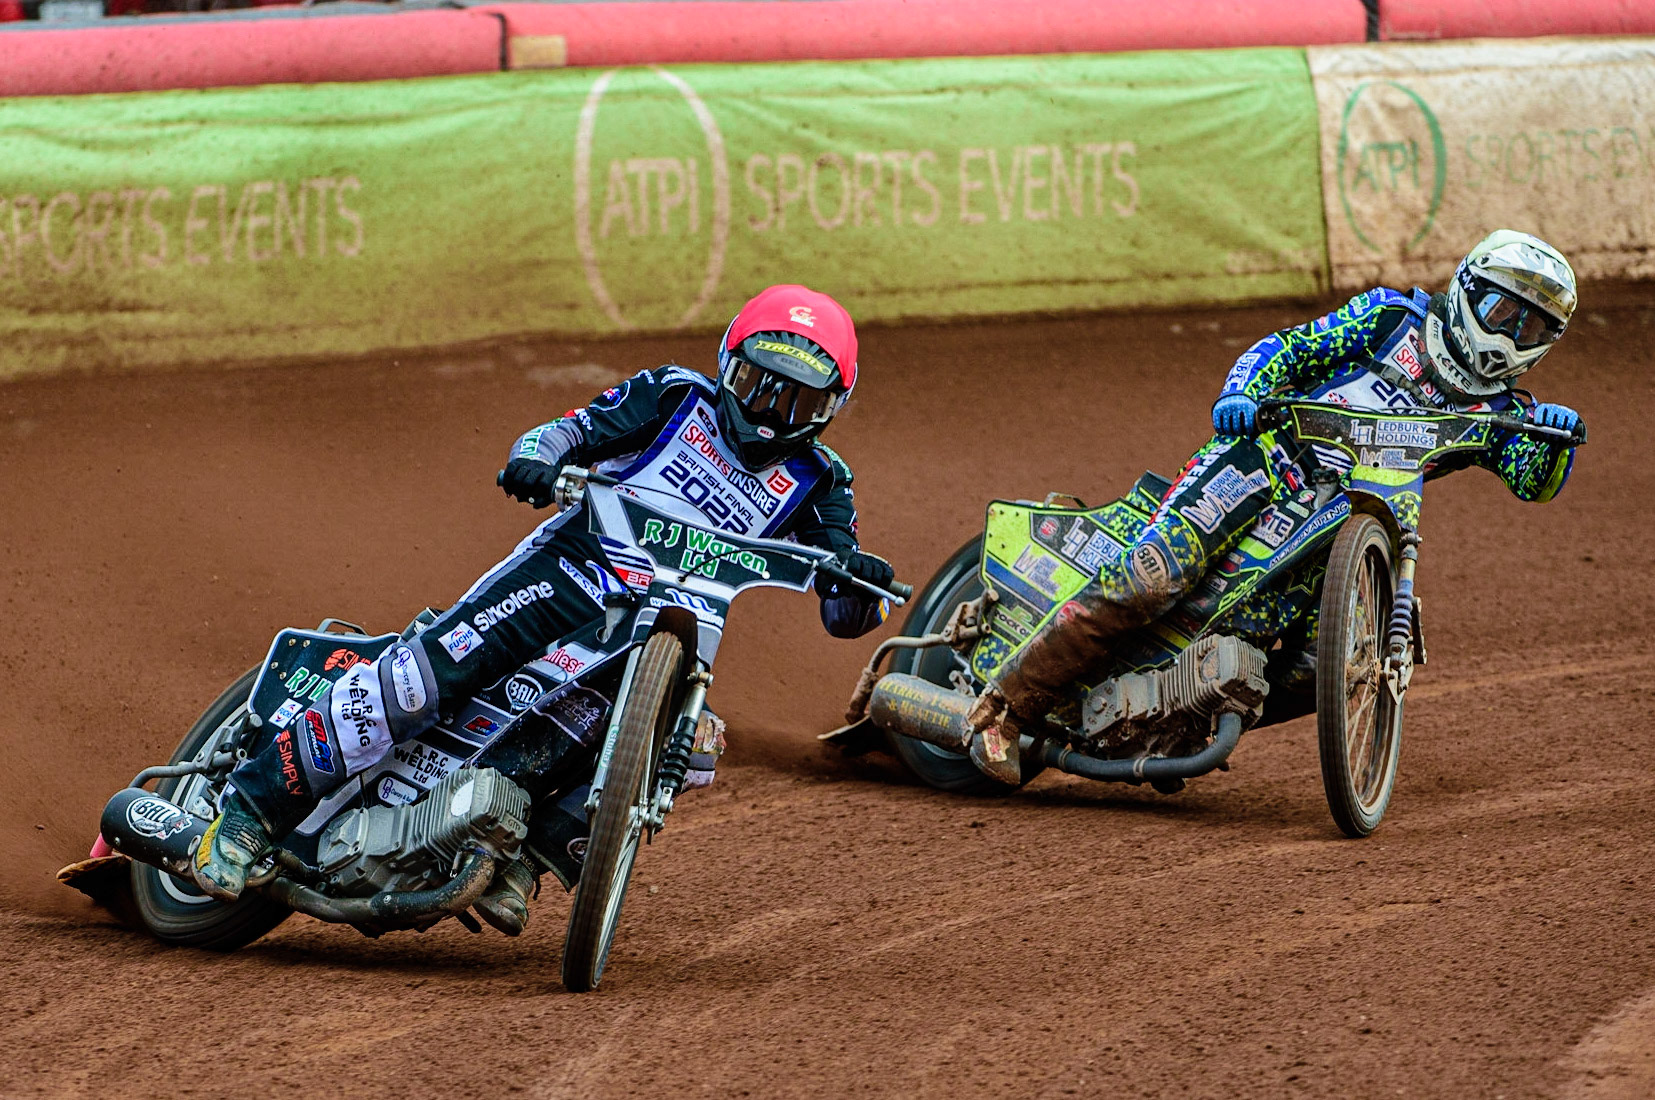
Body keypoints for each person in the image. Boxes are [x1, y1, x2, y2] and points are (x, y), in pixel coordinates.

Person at [192, 284, 896, 932]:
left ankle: (522, 862)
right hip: (573, 570)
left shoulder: (820, 482)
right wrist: (535, 459)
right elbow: (563, 432)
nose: (771, 413)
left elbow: (842, 608)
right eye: (757, 386)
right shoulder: (675, 396)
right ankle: (248, 814)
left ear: (831, 406)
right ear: (727, 366)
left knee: (690, 750)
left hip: (669, 630)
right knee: (425, 678)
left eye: (795, 402)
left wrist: (858, 582)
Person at [966, 229, 1586, 782]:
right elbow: (1291, 348)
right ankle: (1002, 711)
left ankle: (1178, 717)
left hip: (1336, 523)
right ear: (1466, 290)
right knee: (1149, 578)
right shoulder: (1393, 317)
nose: (1509, 334)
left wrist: (1556, 440)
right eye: (1501, 311)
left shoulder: (1507, 414)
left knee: (1302, 656)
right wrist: (1242, 391)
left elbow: (1533, 480)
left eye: (1530, 328)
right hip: (1261, 462)